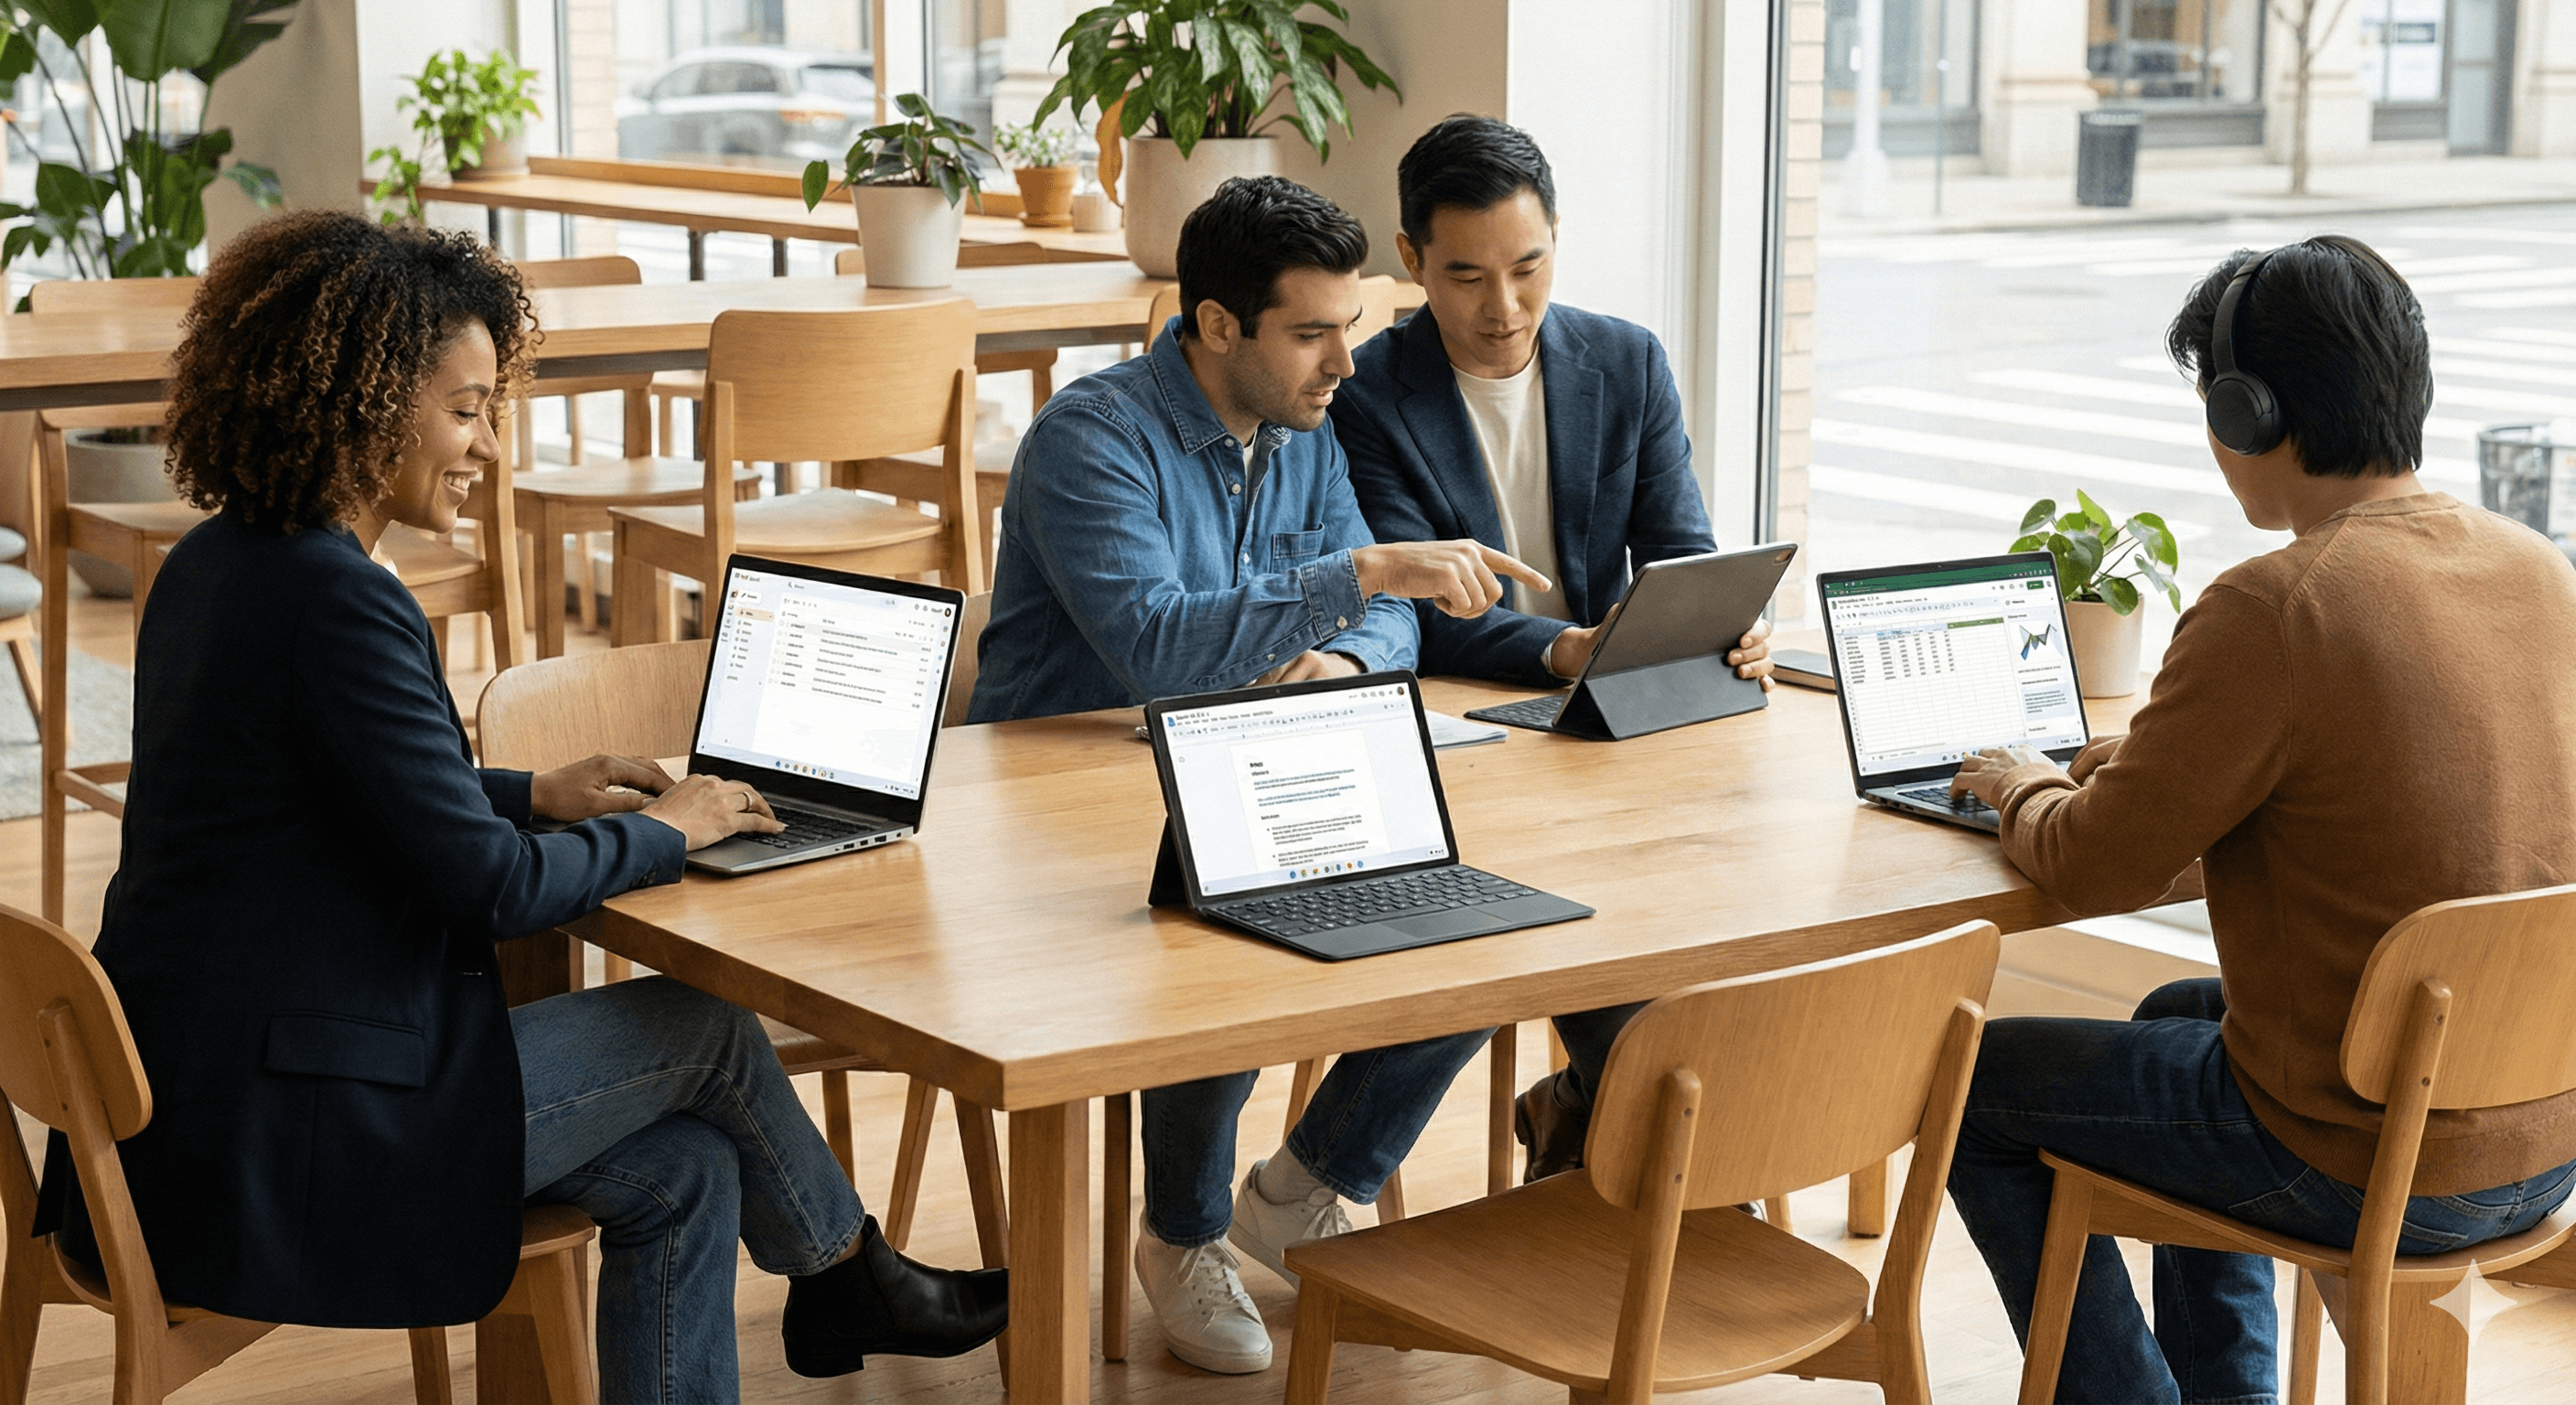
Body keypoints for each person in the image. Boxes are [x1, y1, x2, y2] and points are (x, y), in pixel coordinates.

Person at [49, 210, 1006, 1404]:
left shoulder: (220, 563)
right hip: (293, 1140)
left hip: (192, 1107)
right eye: (467, 409)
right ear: (362, 401)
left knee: (690, 1168)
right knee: (701, 1027)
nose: (490, 449)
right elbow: (489, 890)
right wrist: (673, 830)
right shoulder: (337, 603)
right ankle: (844, 1271)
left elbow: (331, 798)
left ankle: (839, 1279)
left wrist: (535, 790)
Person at [1944, 235, 2576, 1401]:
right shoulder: (2537, 570)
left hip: (2367, 1158)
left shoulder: (2275, 606)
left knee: (1972, 1086)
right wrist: (2148, 762)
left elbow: (2090, 867)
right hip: (2538, 1142)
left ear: (2247, 412)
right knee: (2175, 1010)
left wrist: (2020, 782)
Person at [968, 175, 1546, 1375]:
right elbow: (1157, 643)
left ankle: (1307, 1182)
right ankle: (1180, 1235)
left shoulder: (1304, 430)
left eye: (1350, 323)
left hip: (1244, 768)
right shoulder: (1093, 438)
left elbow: (1394, 626)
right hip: (1052, 814)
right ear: (1216, 324)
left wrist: (1340, 654)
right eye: (1311, 331)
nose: (1346, 359)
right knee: (1228, 923)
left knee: (1494, 916)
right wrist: (1367, 579)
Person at [1332, 113, 1774, 1183]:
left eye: (1527, 267)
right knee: (1509, 914)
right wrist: (1563, 650)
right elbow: (1419, 601)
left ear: (1556, 240)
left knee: (1732, 883)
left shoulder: (1623, 361)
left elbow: (1679, 550)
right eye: (1467, 276)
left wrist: (1719, 623)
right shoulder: (1366, 391)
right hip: (1460, 718)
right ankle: (1631, 1152)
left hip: (1609, 718)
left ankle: (1601, 1124)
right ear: (1411, 264)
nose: (1504, 307)